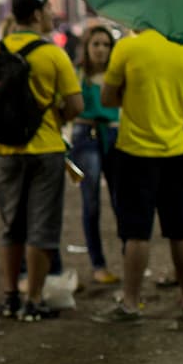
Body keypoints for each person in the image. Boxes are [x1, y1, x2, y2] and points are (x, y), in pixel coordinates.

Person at [0, 0, 82, 322]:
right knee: (42, 227)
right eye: (49, 9)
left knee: (12, 225)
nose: (52, 14)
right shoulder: (53, 54)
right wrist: (56, 116)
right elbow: (76, 104)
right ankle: (33, 299)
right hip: (45, 149)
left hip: (5, 151)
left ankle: (9, 297)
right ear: (36, 14)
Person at [98, 24, 183, 323]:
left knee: (136, 233)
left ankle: (130, 302)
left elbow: (107, 98)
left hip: (136, 152)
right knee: (180, 230)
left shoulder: (127, 48)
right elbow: (182, 98)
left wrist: (130, 97)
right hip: (175, 150)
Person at [70, 25, 120, 285]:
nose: (101, 49)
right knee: (91, 203)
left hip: (114, 135)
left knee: (120, 200)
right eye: (96, 44)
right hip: (86, 137)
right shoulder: (78, 74)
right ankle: (97, 264)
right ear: (87, 47)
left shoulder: (117, 73)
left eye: (106, 44)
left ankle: (128, 256)